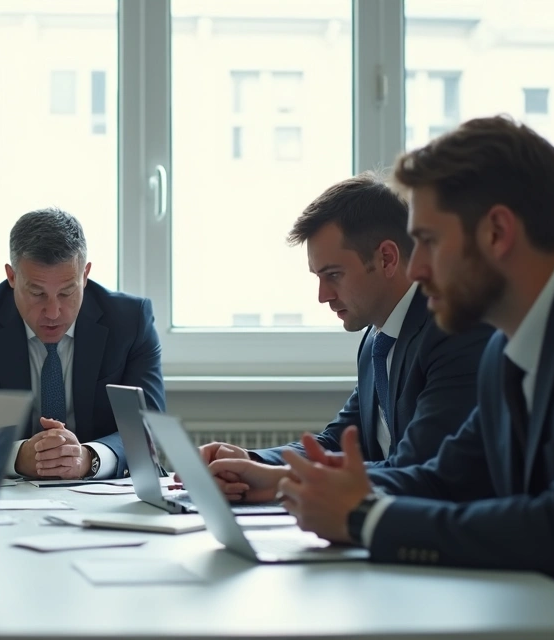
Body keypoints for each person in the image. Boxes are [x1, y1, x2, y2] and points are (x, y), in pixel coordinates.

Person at [207, 116, 554, 618]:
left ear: (497, 232)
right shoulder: (504, 350)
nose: (416, 270)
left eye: (430, 242)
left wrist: (366, 518)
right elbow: (442, 478)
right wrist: (292, 483)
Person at [196, 174, 492, 501]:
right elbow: (337, 441)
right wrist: (249, 461)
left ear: (387, 258)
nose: (323, 296)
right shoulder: (376, 341)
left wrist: (280, 479)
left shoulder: (451, 331)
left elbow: (419, 467)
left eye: (333, 275)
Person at [0, 208, 164, 480]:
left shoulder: (130, 321)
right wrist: (15, 455)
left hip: (103, 495)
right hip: (6, 504)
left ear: (85, 275)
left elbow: (148, 428)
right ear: (11, 277)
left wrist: (89, 458)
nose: (52, 312)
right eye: (37, 293)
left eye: (67, 292)